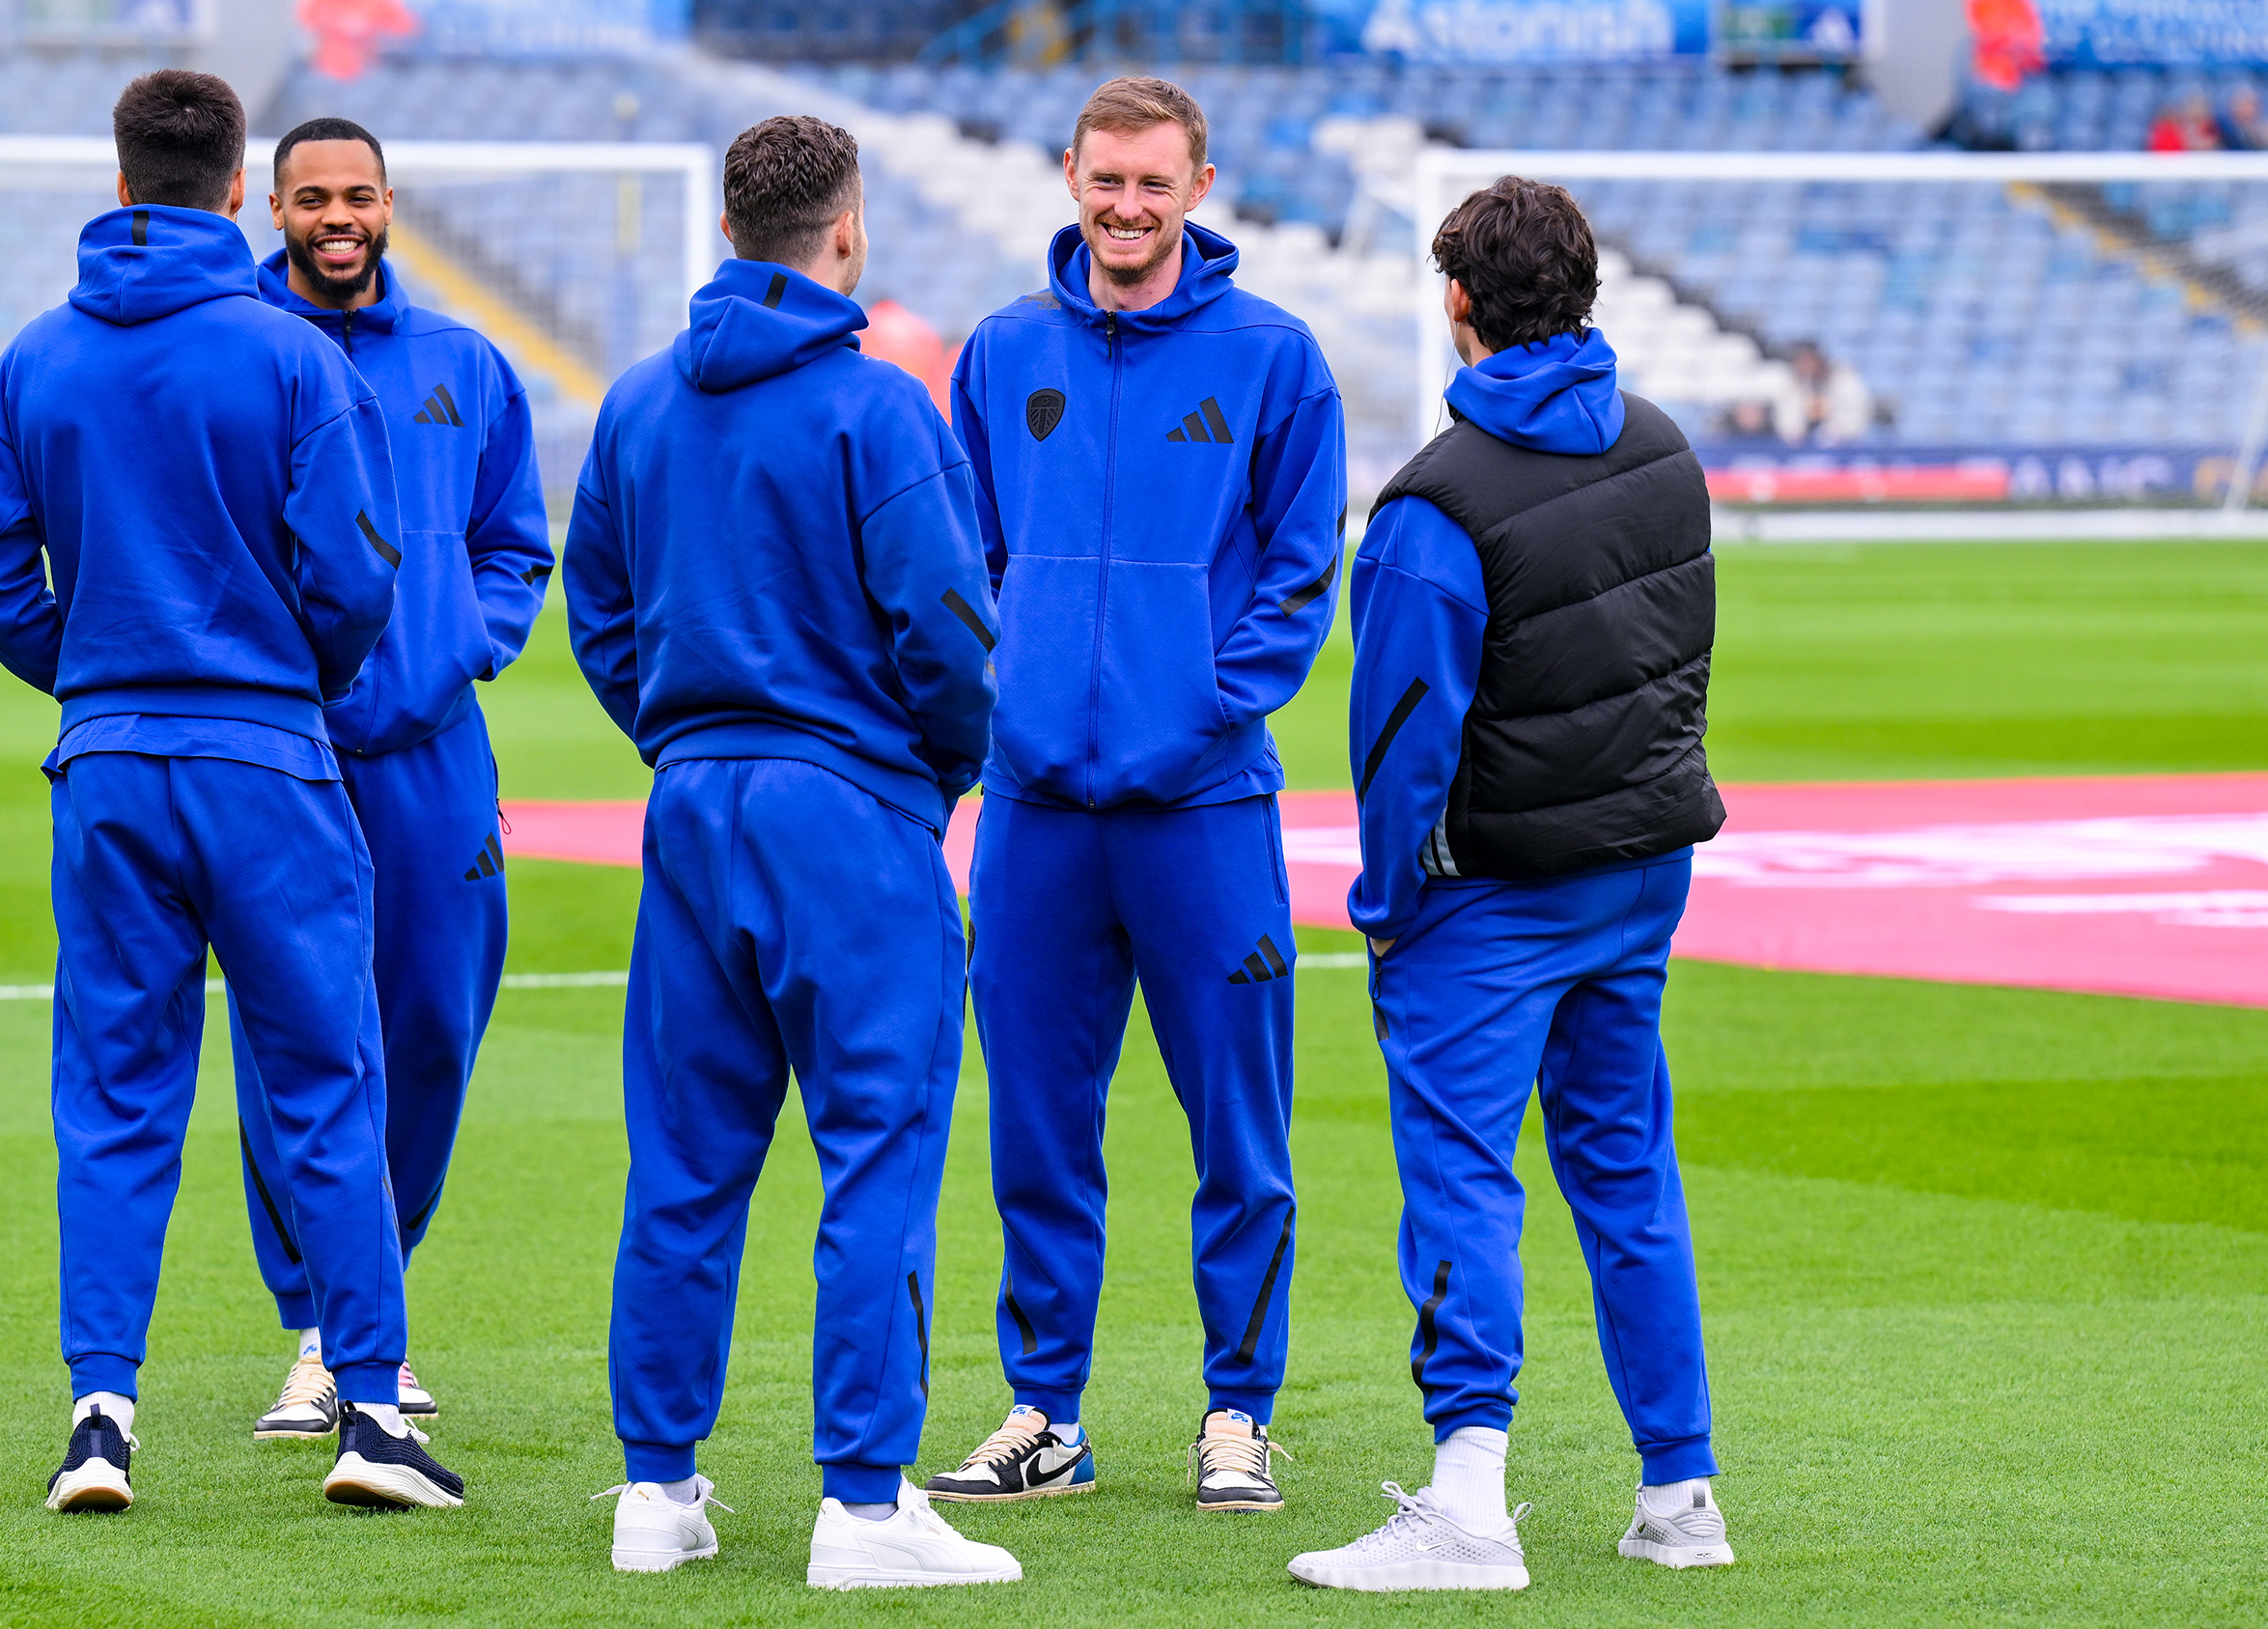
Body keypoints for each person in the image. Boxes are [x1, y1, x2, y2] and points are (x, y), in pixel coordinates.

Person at [0, 69, 466, 1516]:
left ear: (121, 186)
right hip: (267, 765)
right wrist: (274, 674)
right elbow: (359, 577)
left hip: (109, 766)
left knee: (116, 1092)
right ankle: (370, 1409)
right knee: (323, 1080)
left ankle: (100, 1419)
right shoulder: (295, 359)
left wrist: (108, 671)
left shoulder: (35, 360)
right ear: (238, 188)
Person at [565, 113, 1018, 1589]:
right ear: (848, 229)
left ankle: (657, 1489)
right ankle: (866, 1504)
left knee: (685, 1156)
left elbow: (600, 612)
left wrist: (681, 739)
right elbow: (951, 632)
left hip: (695, 802)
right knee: (878, 1145)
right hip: (849, 813)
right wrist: (933, 769)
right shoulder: (878, 410)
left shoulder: (639, 404)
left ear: (726, 226)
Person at [1285, 176, 1731, 1593]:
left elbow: (1402, 740)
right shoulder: (1665, 449)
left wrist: (1384, 902)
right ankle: (1681, 1494)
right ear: (1587, 292)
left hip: (1488, 893)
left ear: (1459, 304)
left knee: (1461, 1182)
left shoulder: (1436, 503)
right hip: (1638, 871)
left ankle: (1470, 1503)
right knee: (1627, 1175)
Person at [926, 74, 1344, 1515]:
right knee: (1039, 1125)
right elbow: (961, 557)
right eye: (1106, 180)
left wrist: (1204, 708)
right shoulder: (1000, 349)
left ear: (1199, 187)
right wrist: (1011, 700)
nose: (1126, 206)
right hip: (1036, 815)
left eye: (1153, 183)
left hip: (1206, 811)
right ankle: (1047, 1410)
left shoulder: (1274, 358)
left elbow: (1299, 574)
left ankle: (1238, 1412)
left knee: (1241, 1128)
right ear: (1069, 176)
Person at [234, 116, 550, 1444]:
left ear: (388, 202)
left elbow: (514, 546)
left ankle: (373, 1287)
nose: (337, 217)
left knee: (430, 1024)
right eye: (312, 198)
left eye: (357, 195)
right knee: (294, 1036)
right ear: (277, 207)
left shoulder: (464, 362)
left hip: (432, 756)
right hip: (284, 754)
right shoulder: (232, 350)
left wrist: (457, 646)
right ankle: (325, 1329)